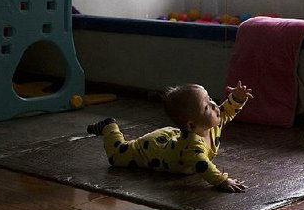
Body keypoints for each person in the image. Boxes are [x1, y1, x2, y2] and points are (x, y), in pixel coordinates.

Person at [86, 80, 253, 192]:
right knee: (117, 156)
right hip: (153, 150)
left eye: (210, 99)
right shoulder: (193, 147)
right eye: (206, 107)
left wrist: (237, 98)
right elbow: (204, 167)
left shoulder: (211, 124)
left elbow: (226, 112)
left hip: (171, 138)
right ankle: (109, 127)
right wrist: (223, 181)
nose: (215, 105)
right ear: (191, 125)